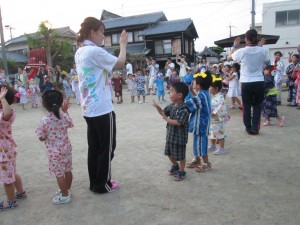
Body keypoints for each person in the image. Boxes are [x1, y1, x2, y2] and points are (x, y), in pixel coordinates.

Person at [75, 17, 127, 193]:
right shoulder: (94, 51)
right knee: (107, 147)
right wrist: (123, 44)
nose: (103, 36)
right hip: (102, 108)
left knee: (95, 147)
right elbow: (119, 63)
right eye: (102, 32)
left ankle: (95, 182)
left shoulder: (80, 51)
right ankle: (103, 184)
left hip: (88, 107)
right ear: (93, 32)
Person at [227, 29, 269, 135]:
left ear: (246, 39)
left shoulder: (242, 51)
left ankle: (248, 127)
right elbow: (267, 61)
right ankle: (255, 128)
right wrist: (260, 46)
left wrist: (234, 46)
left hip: (246, 82)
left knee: (246, 105)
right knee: (257, 106)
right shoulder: (263, 50)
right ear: (257, 39)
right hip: (259, 81)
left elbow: (228, 58)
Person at [35, 90, 73, 204]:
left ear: (45, 105)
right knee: (68, 170)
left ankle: (65, 196)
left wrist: (46, 136)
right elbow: (70, 124)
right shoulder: (64, 116)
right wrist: (65, 112)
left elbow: (41, 137)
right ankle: (67, 190)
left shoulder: (45, 120)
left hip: (54, 152)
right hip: (66, 149)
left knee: (59, 174)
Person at [152, 82, 189, 181]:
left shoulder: (184, 109)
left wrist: (166, 119)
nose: (169, 93)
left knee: (181, 156)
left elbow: (178, 122)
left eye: (172, 91)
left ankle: (181, 171)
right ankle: (175, 166)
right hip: (171, 135)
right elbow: (164, 113)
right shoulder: (172, 105)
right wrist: (158, 108)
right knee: (168, 152)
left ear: (180, 95)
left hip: (180, 137)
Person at [0, 85, 26, 211]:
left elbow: (7, 112)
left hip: (3, 153)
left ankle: (11, 201)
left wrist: (2, 99)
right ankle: (20, 192)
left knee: (7, 180)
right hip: (8, 151)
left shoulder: (6, 114)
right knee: (12, 174)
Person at [185, 70, 213, 172]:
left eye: (195, 82)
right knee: (197, 142)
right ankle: (197, 159)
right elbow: (197, 99)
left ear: (198, 85)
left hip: (200, 123)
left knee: (201, 143)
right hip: (202, 123)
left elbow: (188, 105)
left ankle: (206, 163)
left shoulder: (201, 96)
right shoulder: (205, 93)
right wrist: (192, 91)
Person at [208, 78, 229, 155]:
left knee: (220, 133)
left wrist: (212, 112)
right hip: (211, 118)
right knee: (211, 131)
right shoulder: (211, 96)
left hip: (218, 119)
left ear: (216, 88)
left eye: (210, 87)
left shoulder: (220, 97)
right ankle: (212, 145)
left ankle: (221, 148)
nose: (209, 88)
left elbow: (220, 108)